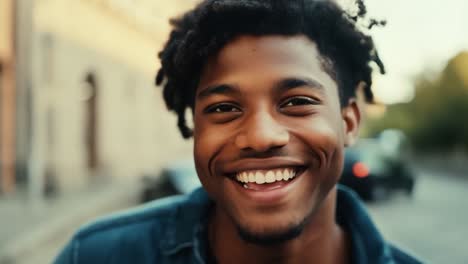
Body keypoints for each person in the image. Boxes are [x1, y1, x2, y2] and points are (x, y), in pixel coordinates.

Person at [54, 0, 423, 263]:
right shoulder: (93, 255)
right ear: (195, 127)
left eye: (296, 102)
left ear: (349, 122)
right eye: (223, 108)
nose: (261, 136)